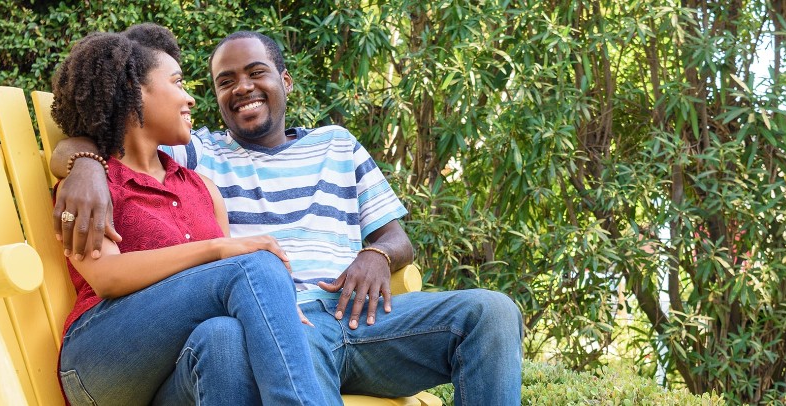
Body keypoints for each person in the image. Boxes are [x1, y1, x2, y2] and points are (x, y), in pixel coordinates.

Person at [52, 30, 523, 405]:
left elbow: (396, 236)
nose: (241, 87)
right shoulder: (201, 151)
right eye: (223, 81)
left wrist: (378, 254)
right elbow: (115, 135)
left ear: (286, 80)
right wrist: (84, 164)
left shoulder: (334, 143)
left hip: (354, 314)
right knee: (237, 307)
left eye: (256, 72)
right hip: (274, 324)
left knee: (492, 313)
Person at [49, 24, 328, 406]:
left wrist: (270, 306)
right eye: (178, 83)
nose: (191, 99)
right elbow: (108, 278)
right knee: (255, 264)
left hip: (174, 374)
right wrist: (217, 251)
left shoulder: (201, 188)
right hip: (99, 360)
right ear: (134, 93)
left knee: (222, 338)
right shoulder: (90, 186)